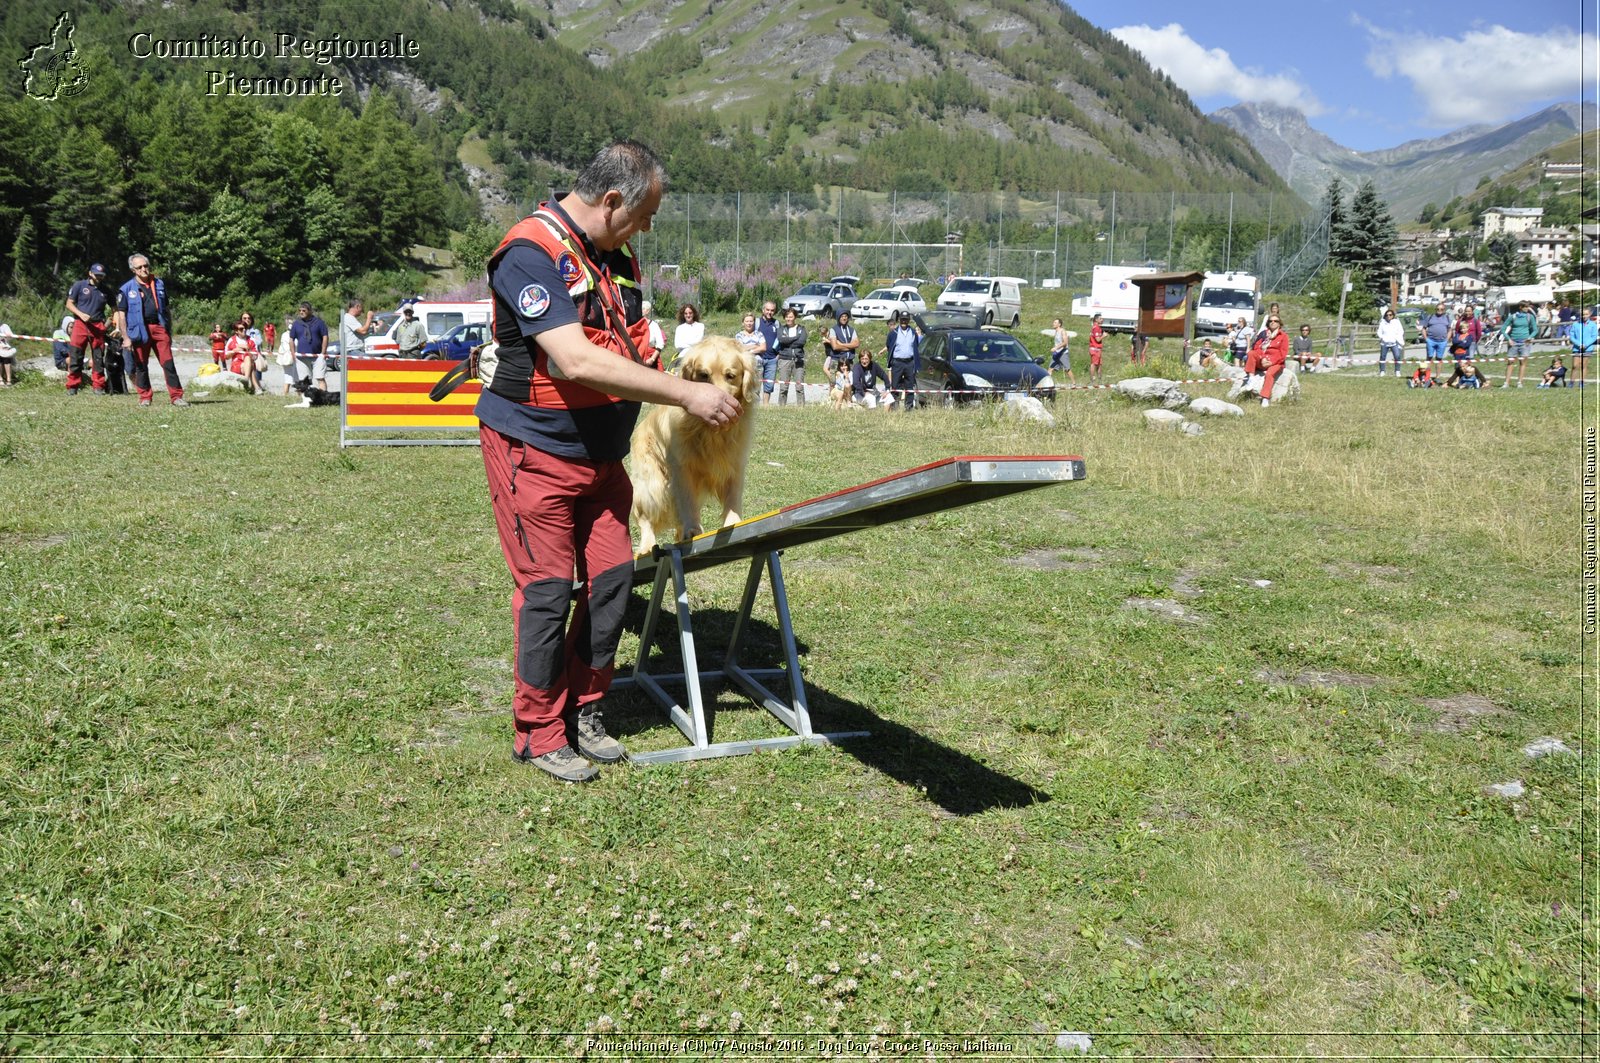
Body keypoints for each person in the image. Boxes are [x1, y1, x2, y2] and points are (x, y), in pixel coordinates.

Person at [475, 139, 739, 784]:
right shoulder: (529, 253)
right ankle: (538, 730)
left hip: (602, 456)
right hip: (535, 451)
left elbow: (628, 344)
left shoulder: (615, 255)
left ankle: (586, 708)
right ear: (614, 200)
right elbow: (577, 360)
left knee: (613, 578)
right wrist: (686, 393)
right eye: (644, 213)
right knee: (546, 591)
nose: (647, 227)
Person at [114, 253, 187, 408]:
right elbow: (122, 316)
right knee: (141, 365)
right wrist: (126, 338)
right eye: (139, 267)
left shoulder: (159, 284)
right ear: (133, 270)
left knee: (168, 363)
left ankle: (176, 397)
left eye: (146, 266)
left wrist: (168, 331)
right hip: (139, 331)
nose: (144, 269)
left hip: (159, 328)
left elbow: (166, 309)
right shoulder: (126, 289)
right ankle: (145, 397)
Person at [64, 262, 112, 395]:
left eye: (101, 275)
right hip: (80, 324)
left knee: (98, 357)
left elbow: (115, 309)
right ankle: (72, 386)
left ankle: (98, 386)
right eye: (96, 275)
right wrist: (80, 314)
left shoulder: (106, 290)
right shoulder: (79, 285)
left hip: (98, 326)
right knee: (76, 356)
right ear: (90, 273)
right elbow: (69, 303)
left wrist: (109, 324)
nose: (98, 277)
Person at [1243, 313, 1289, 407]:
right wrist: (1262, 358)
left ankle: (1265, 397)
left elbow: (1283, 353)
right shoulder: (1264, 334)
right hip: (1263, 359)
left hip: (1276, 362)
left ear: (1279, 323)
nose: (1273, 322)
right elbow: (1256, 347)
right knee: (1251, 353)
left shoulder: (1283, 336)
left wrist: (1271, 362)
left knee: (1269, 374)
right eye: (1270, 321)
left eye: (1275, 321)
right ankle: (1251, 378)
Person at [881, 310, 921, 410]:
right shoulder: (893, 333)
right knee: (895, 386)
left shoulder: (913, 332)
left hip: (909, 362)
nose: (904, 322)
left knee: (909, 386)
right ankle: (894, 407)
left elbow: (916, 346)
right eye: (902, 320)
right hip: (897, 362)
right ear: (899, 320)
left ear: (908, 321)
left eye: (906, 320)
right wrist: (892, 361)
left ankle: (909, 408)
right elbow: (889, 346)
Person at [289, 302, 330, 391]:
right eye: (299, 310)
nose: (301, 312)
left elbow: (325, 336)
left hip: (317, 356)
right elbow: (291, 338)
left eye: (304, 310)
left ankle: (323, 398)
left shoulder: (319, 322)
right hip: (301, 357)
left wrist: (323, 352)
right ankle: (307, 400)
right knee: (304, 380)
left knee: (320, 378)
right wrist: (293, 353)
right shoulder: (296, 324)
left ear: (310, 311)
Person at [774, 307, 807, 406]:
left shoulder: (802, 329)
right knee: (783, 387)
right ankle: (781, 407)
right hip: (784, 359)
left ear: (795, 317)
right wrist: (795, 338)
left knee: (799, 387)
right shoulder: (781, 329)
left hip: (798, 360)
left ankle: (801, 407)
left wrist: (788, 341)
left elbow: (801, 342)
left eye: (791, 317)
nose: (789, 319)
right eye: (787, 317)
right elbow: (781, 340)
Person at [1501, 300, 1538, 388]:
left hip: (1524, 343)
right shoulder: (1513, 317)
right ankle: (1506, 383)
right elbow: (1503, 329)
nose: (1527, 308)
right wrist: (1508, 339)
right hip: (1513, 342)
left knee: (1523, 362)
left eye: (1527, 306)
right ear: (1520, 307)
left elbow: (1535, 329)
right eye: (1525, 307)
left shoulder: (1530, 317)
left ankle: (1519, 382)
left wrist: (1530, 337)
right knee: (1510, 362)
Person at [225, 321, 263, 393]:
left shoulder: (251, 340)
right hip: (237, 365)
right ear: (236, 331)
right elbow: (226, 356)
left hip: (248, 365)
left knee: (248, 359)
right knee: (250, 365)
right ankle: (256, 387)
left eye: (245, 328)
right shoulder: (231, 340)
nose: (244, 330)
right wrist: (234, 351)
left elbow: (255, 356)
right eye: (241, 329)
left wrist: (247, 349)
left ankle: (246, 381)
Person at [755, 299, 780, 404]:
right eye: (767, 310)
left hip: (772, 359)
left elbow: (780, 339)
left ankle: (766, 406)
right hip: (758, 358)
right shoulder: (756, 322)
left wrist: (778, 355)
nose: (769, 312)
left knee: (769, 385)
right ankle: (755, 406)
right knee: (756, 385)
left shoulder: (777, 323)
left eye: (772, 310)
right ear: (763, 310)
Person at [822, 310, 859, 377]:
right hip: (836, 360)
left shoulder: (852, 330)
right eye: (842, 316)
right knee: (833, 382)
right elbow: (835, 346)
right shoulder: (833, 330)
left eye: (845, 316)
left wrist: (841, 344)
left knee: (850, 382)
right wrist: (850, 347)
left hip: (849, 361)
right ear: (838, 318)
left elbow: (856, 344)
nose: (844, 318)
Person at [1421, 302, 1452, 376]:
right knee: (1429, 358)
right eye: (1438, 309)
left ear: (1444, 310)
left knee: (1439, 359)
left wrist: (1446, 340)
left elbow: (1450, 330)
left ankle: (1437, 377)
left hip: (1442, 342)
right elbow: (1423, 329)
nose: (1439, 310)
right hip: (1431, 341)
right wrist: (1426, 339)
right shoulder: (1430, 317)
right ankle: (1427, 376)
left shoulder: (1447, 318)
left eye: (1442, 309)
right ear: (1435, 309)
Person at [340, 299, 374, 366]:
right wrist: (369, 318)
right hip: (352, 351)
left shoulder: (351, 318)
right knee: (372, 363)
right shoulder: (348, 318)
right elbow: (363, 331)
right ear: (357, 306)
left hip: (355, 351)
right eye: (362, 308)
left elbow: (363, 332)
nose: (362, 311)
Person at [1570, 308, 1596, 388]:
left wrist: (1586, 344)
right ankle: (1571, 382)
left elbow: (1594, 337)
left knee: (1583, 365)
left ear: (1589, 314)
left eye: (1586, 314)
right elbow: (1572, 336)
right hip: (1577, 348)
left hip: (1587, 348)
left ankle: (1581, 382)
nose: (1584, 316)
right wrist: (1578, 344)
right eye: (1583, 314)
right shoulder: (1575, 324)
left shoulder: (1593, 325)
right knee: (1575, 365)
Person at [1376, 308, 1405, 377]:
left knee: (1397, 356)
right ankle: (1382, 371)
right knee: (1382, 357)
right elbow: (1379, 332)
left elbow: (1401, 331)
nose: (1388, 316)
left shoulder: (1397, 322)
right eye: (1387, 315)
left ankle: (1397, 371)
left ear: (1393, 315)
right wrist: (1382, 337)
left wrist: (1397, 338)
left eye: (1390, 315)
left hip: (1394, 343)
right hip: (1385, 343)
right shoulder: (1383, 323)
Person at [1088, 313, 1105, 384]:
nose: (1102, 320)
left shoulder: (1097, 327)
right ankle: (1092, 379)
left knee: (1099, 364)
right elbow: (1097, 339)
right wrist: (1104, 336)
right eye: (1100, 318)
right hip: (1095, 349)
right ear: (1096, 319)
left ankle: (1100, 379)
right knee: (1094, 364)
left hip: (1097, 349)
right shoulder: (1096, 328)